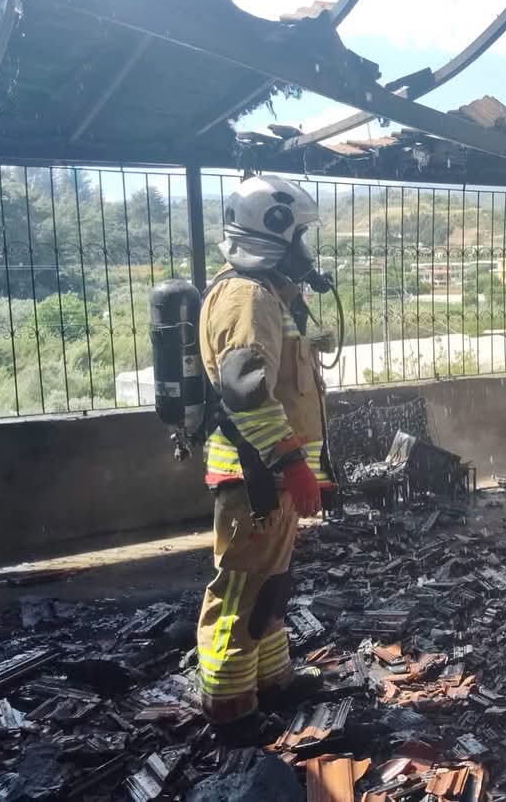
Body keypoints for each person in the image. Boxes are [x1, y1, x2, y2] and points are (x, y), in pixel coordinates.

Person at [196, 174, 336, 744]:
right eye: (302, 233)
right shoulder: (246, 297)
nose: (308, 247)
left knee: (272, 580)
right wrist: (291, 466)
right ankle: (229, 704)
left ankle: (270, 678)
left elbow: (286, 371)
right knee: (241, 585)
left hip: (271, 476)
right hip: (255, 476)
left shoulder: (270, 295)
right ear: (275, 233)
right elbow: (247, 391)